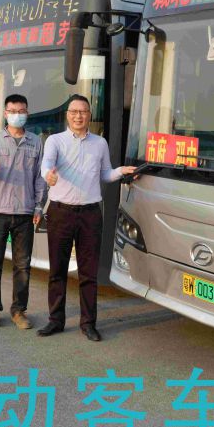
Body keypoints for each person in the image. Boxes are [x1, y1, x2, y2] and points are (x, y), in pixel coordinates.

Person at [37, 94, 136, 341]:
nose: (78, 116)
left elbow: (105, 173)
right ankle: (55, 320)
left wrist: (120, 172)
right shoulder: (55, 141)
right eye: (74, 112)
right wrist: (48, 175)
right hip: (60, 212)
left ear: (90, 115)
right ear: (67, 115)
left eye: (83, 112)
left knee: (88, 273)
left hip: (90, 214)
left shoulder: (100, 143)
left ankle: (89, 323)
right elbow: (46, 165)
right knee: (57, 270)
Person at [0, 94, 47, 330]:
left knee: (22, 266)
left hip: (25, 212)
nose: (17, 115)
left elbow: (40, 178)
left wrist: (39, 206)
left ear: (27, 113)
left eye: (21, 111)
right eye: (13, 111)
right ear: (5, 113)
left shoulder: (36, 142)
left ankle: (19, 311)